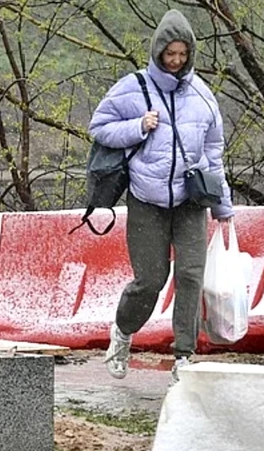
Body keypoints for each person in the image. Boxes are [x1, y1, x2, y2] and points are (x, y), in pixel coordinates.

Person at [88, 9, 234, 383]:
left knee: (190, 275)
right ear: (157, 52)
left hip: (191, 201)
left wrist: (223, 208)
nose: (176, 61)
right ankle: (122, 333)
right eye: (170, 54)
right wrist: (138, 126)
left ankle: (184, 355)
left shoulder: (202, 95)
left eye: (182, 55)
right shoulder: (132, 88)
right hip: (146, 200)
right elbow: (99, 128)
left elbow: (214, 152)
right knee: (150, 280)